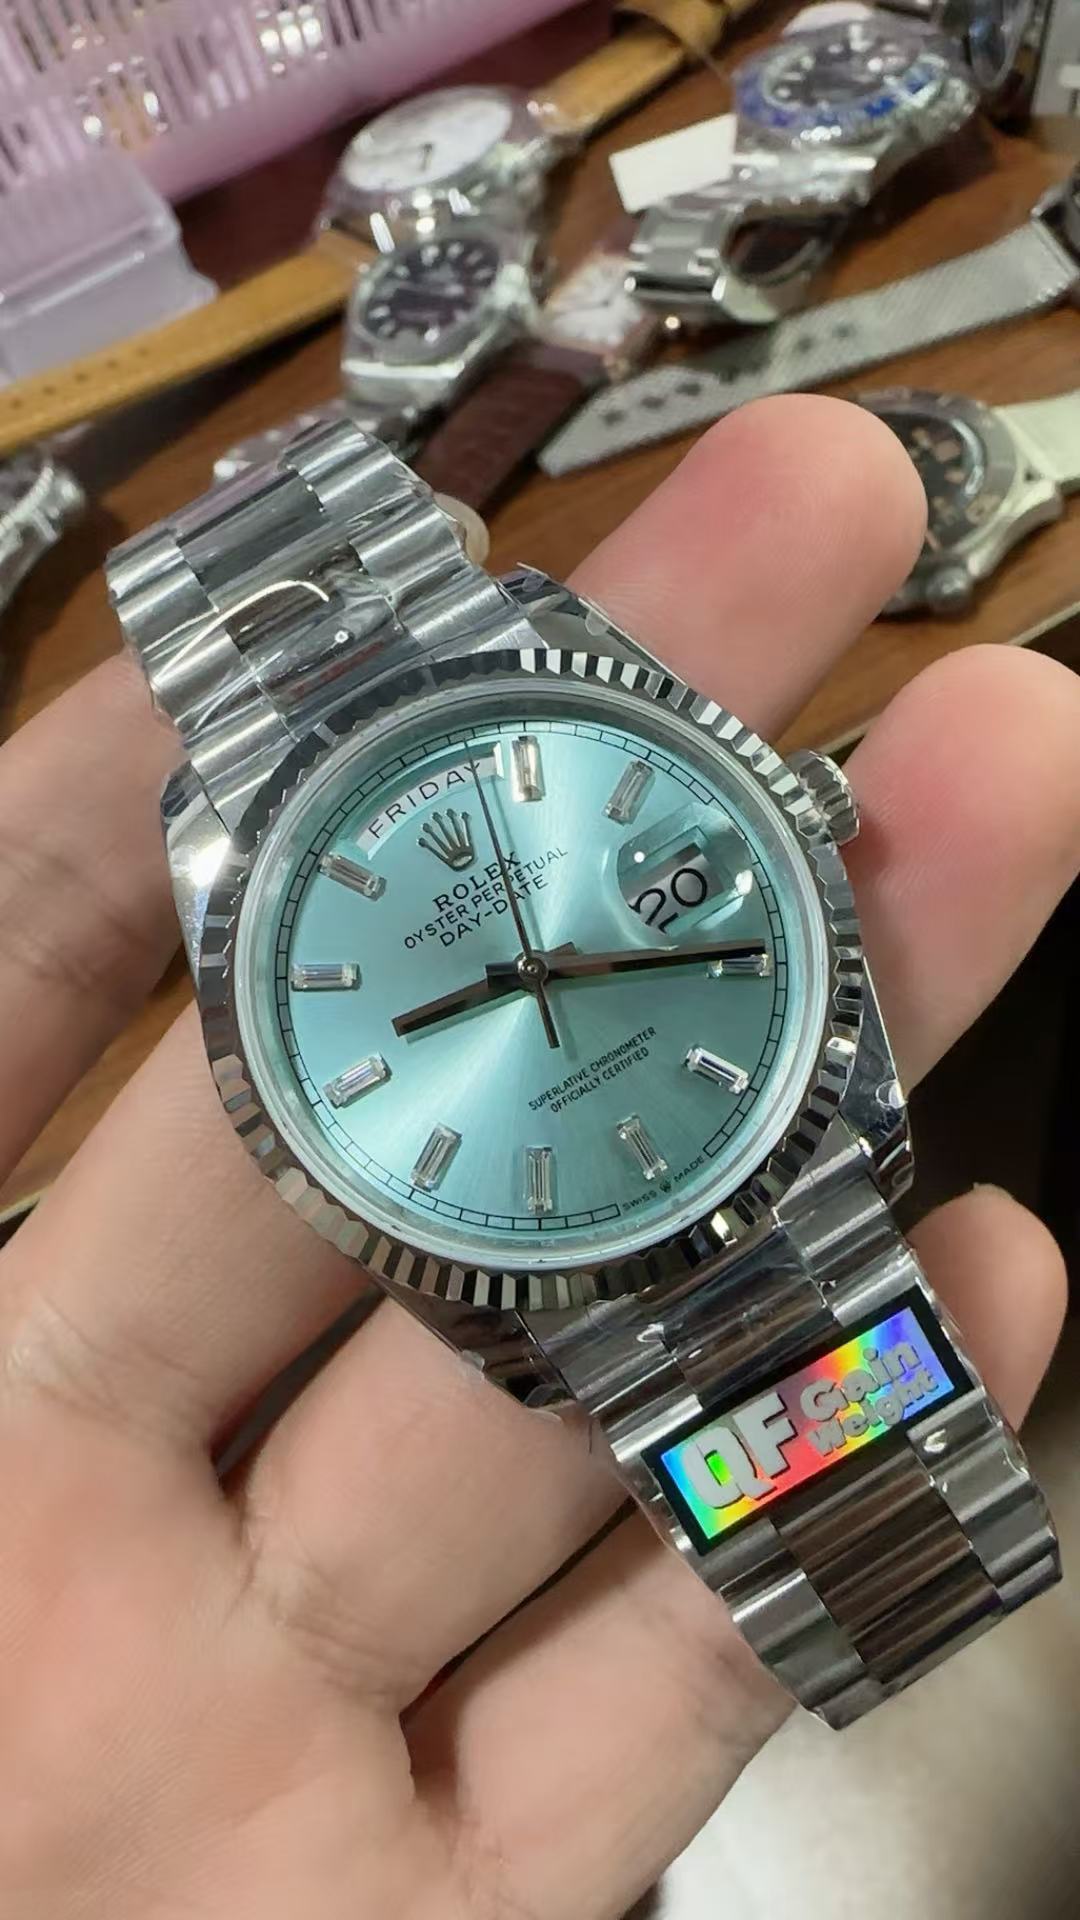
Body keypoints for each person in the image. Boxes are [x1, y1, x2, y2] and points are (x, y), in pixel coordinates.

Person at [0, 395, 1076, 1919]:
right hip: (605, 1261)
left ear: (795, 814)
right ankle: (891, 1594)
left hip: (753, 1161)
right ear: (279, 1105)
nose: (528, 981)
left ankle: (912, 1574)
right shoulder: (269, 970)